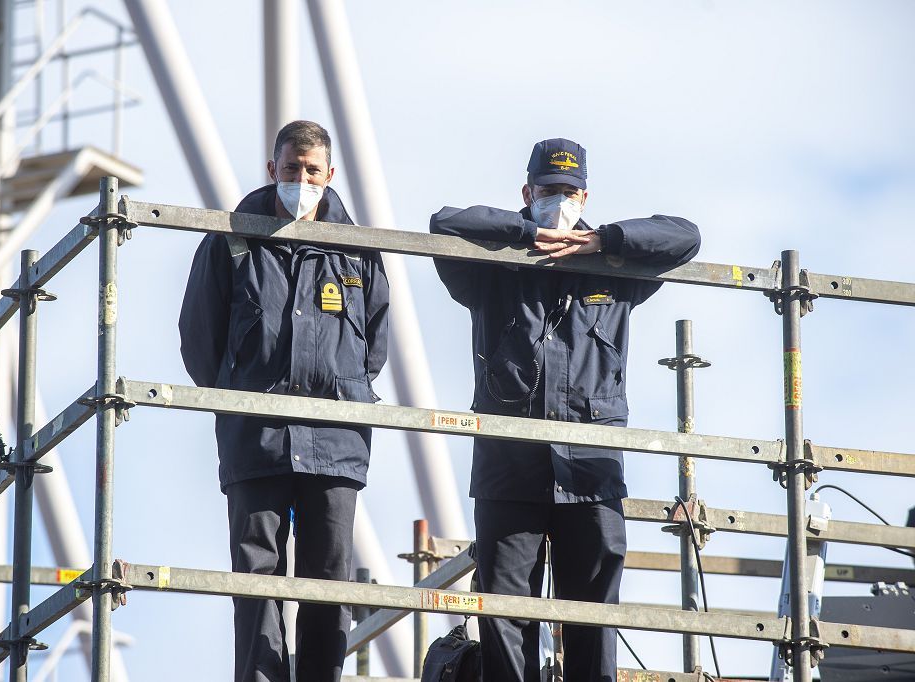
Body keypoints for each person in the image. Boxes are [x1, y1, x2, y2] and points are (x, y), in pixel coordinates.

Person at [429, 138, 701, 681]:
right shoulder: (493, 268)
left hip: (591, 472)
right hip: (509, 469)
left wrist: (600, 241)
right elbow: (445, 222)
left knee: (592, 617)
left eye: (570, 191)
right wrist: (529, 236)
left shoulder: (613, 267)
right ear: (527, 193)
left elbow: (685, 236)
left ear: (585, 194)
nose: (560, 200)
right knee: (506, 616)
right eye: (549, 191)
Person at [179, 120, 390, 682]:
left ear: (330, 175)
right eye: (292, 169)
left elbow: (375, 346)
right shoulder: (232, 240)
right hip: (257, 437)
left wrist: (338, 392)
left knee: (328, 580)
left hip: (335, 442)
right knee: (256, 578)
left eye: (312, 171)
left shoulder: (359, 251)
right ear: (272, 169)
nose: (302, 180)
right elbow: (200, 344)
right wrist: (244, 394)